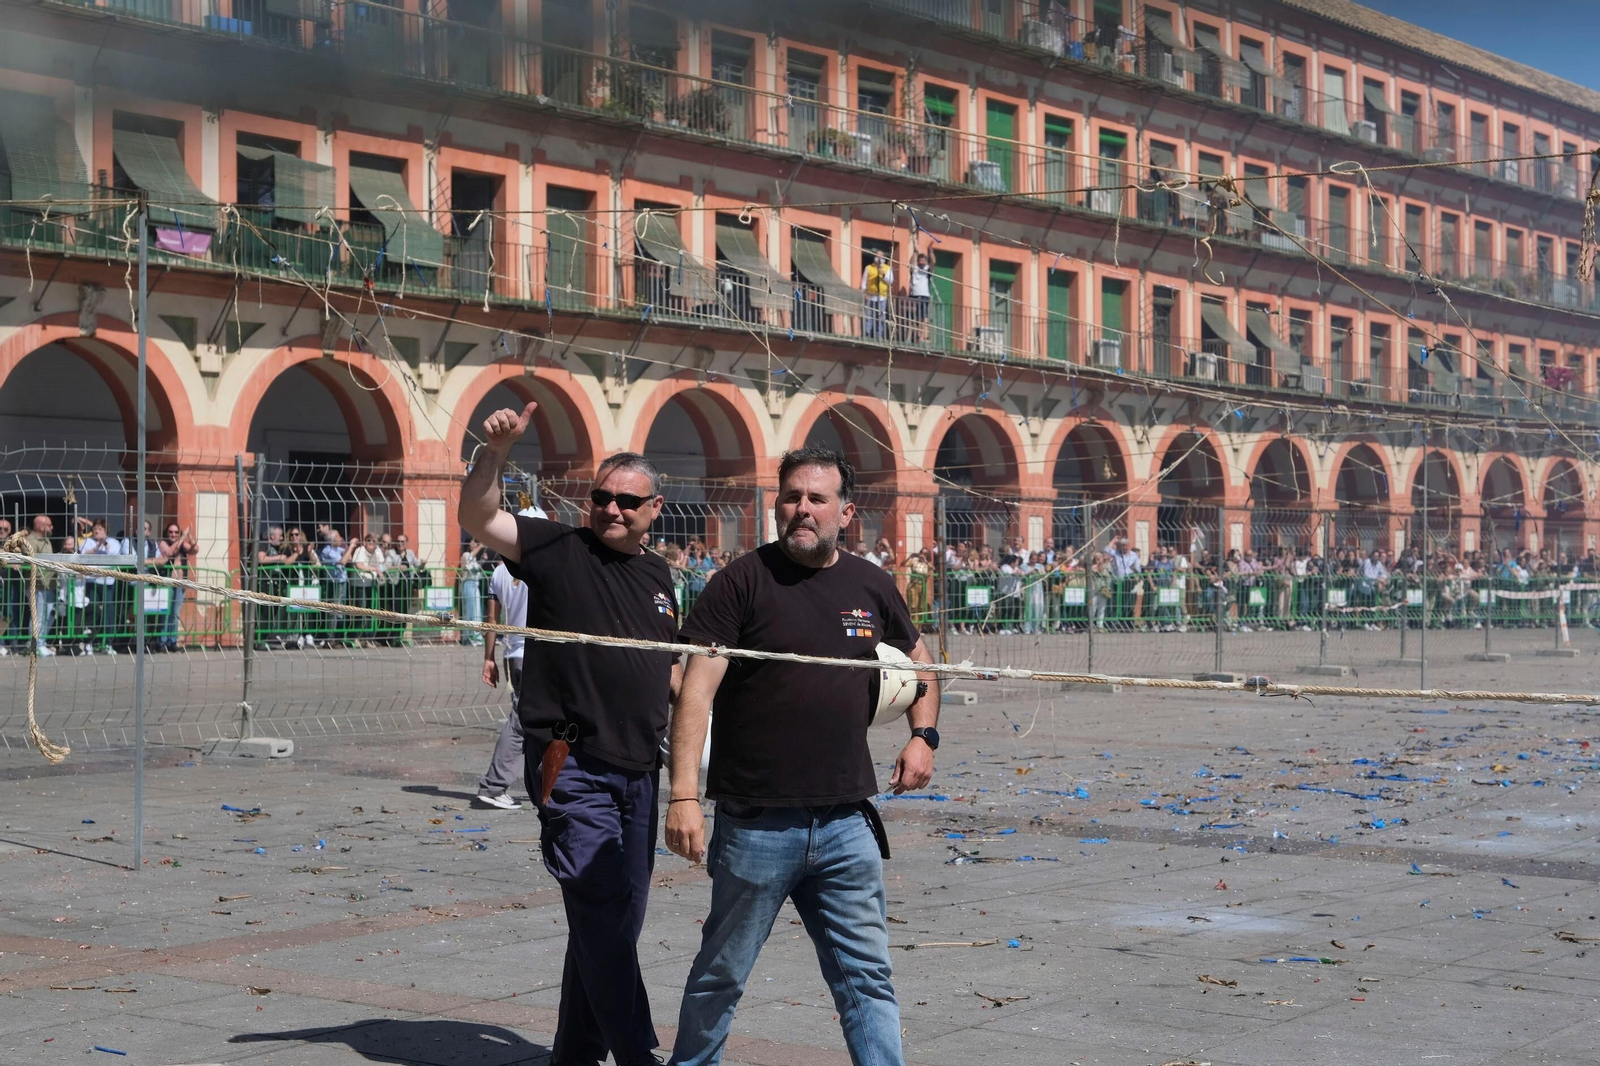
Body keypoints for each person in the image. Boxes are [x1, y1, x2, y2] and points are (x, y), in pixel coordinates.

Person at [663, 446, 939, 1066]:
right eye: (792, 497)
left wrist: (924, 736)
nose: (803, 509)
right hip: (758, 824)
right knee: (721, 975)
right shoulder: (739, 582)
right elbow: (695, 694)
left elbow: (922, 662)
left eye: (818, 498)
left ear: (846, 512)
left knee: (867, 978)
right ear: (777, 505)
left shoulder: (871, 583)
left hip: (847, 821)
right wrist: (682, 796)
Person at [458, 400, 682, 1066]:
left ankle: (575, 1053)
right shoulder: (558, 547)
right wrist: (495, 454)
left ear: (654, 509)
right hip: (574, 765)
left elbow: (666, 671)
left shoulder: (659, 576)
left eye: (627, 502)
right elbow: (480, 517)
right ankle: (637, 1054)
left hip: (640, 771)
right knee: (603, 909)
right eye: (602, 498)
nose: (612, 509)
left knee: (615, 920)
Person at [474, 506, 544, 810]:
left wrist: (489, 657)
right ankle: (493, 785)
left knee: (539, 720)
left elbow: (492, 620)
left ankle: (545, 785)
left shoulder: (499, 571)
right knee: (521, 721)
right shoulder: (545, 565)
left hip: (514, 653)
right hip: (538, 654)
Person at [22, 515, 57, 656]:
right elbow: (30, 561)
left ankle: (41, 642)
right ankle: (35, 645)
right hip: (37, 586)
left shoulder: (46, 540)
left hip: (49, 585)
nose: (52, 527)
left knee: (48, 615)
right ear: (41, 526)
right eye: (49, 525)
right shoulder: (30, 541)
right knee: (38, 616)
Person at [860, 252, 893, 339]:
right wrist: (864, 292)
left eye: (881, 256)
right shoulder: (869, 268)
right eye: (877, 256)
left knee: (881, 316)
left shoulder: (887, 268)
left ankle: (879, 334)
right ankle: (867, 333)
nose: (879, 257)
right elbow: (864, 280)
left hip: (882, 297)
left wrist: (883, 274)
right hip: (870, 296)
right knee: (869, 316)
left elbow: (890, 280)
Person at [906, 252, 932, 342]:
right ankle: (909, 337)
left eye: (923, 260)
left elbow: (933, 262)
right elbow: (911, 262)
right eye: (920, 260)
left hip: (924, 296)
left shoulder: (927, 269)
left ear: (926, 262)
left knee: (923, 318)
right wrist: (915, 252)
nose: (921, 262)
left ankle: (921, 336)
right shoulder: (914, 269)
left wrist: (931, 252)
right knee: (911, 317)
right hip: (914, 295)